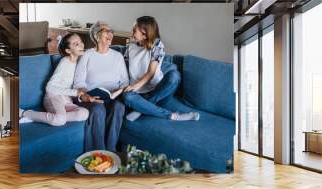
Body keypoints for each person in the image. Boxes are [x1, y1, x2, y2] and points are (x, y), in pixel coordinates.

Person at [123, 16, 200, 121]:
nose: (131, 32)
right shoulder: (130, 47)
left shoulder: (157, 45)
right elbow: (125, 70)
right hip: (138, 96)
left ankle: (141, 109)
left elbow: (151, 72)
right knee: (127, 97)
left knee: (175, 75)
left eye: (134, 30)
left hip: (158, 92)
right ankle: (172, 115)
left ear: (145, 33)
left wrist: (136, 86)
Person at [73, 21, 129, 152]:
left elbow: (125, 82)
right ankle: (97, 153)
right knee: (98, 108)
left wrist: (118, 92)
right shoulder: (87, 55)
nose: (111, 34)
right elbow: (78, 82)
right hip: (91, 98)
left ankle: (110, 151)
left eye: (111, 31)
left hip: (113, 97)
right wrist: (86, 95)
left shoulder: (118, 56)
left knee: (119, 107)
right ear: (96, 36)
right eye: (106, 31)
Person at [19, 33, 95, 126]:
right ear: (68, 50)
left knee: (84, 113)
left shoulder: (81, 63)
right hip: (53, 96)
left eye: (81, 42)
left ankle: (45, 117)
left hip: (66, 99)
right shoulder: (65, 62)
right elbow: (49, 88)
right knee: (59, 120)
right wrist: (75, 92)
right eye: (76, 44)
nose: (82, 45)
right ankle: (24, 113)